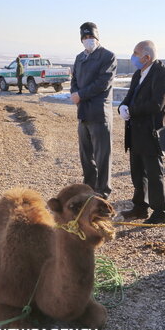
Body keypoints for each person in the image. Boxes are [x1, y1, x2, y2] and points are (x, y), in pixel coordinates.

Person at [118, 41, 165, 224]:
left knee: (154, 173)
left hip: (150, 133)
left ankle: (160, 212)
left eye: (135, 53)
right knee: (137, 172)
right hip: (135, 133)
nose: (132, 57)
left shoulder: (162, 75)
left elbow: (157, 104)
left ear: (146, 57)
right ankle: (140, 207)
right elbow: (130, 96)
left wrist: (132, 111)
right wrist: (123, 107)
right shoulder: (138, 74)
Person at [70, 22, 117, 200]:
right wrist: (75, 93)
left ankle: (103, 192)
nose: (88, 40)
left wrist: (80, 94)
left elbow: (102, 83)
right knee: (86, 155)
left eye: (91, 37)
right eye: (85, 37)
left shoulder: (108, 56)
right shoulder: (80, 58)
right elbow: (74, 80)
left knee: (102, 155)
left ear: (97, 38)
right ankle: (88, 189)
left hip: (99, 114)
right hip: (83, 114)